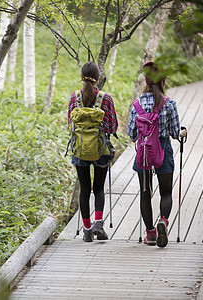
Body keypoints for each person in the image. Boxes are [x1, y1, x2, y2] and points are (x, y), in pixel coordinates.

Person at [127, 61, 187, 247]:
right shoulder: (169, 104)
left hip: (144, 152)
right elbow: (175, 132)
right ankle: (163, 221)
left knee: (145, 193)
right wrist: (183, 133)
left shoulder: (137, 104)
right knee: (166, 192)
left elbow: (131, 134)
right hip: (163, 150)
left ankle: (150, 234)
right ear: (163, 81)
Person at [68, 61, 118, 242]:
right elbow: (113, 127)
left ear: (82, 77)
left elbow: (69, 125)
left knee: (84, 190)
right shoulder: (106, 98)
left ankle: (87, 230)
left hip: (80, 150)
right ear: (98, 78)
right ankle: (99, 223)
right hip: (101, 148)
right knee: (98, 188)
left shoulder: (75, 97)